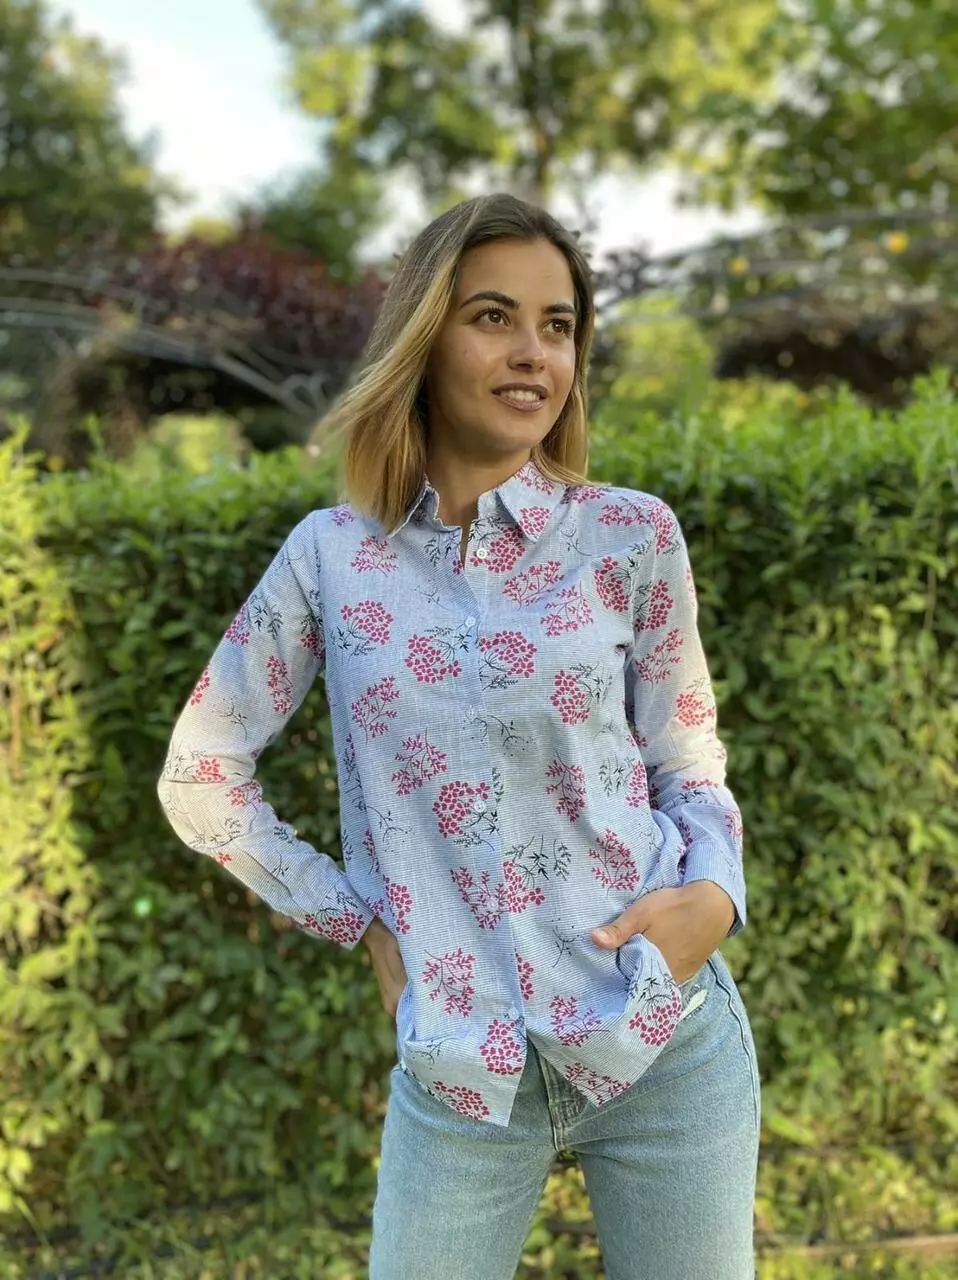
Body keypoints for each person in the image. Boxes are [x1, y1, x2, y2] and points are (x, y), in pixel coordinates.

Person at [157, 192, 760, 1279]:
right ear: (423, 337)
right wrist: (357, 917)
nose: (533, 352)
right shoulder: (331, 559)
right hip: (461, 1070)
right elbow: (201, 771)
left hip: (661, 1034)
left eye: (558, 324)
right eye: (493, 316)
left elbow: (686, 758)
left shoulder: (631, 535)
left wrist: (713, 895)